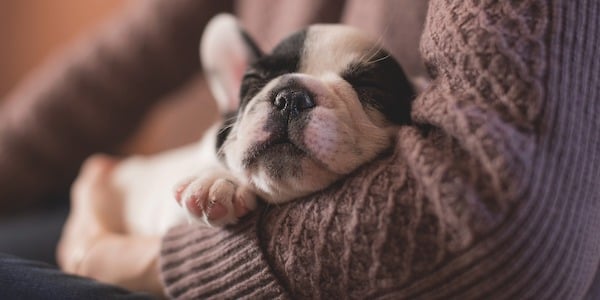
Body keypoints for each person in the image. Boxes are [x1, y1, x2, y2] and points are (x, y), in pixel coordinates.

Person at [0, 0, 599, 299]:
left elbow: (500, 225)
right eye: (264, 86)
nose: (291, 100)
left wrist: (110, 252)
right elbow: (105, 74)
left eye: (362, 88)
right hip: (136, 205)